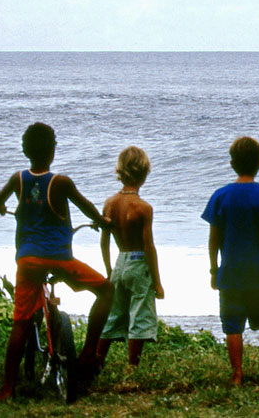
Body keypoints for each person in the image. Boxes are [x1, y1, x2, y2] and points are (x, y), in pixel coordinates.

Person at [0, 122, 113, 401]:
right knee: (106, 289)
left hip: (28, 261)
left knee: (20, 322)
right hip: (59, 260)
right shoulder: (61, 183)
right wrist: (101, 221)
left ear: (25, 150)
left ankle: (7, 388)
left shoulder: (17, 179)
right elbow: (87, 208)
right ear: (53, 151)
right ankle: (89, 352)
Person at [202, 136, 259, 386]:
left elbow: (213, 239)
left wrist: (214, 269)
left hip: (231, 272)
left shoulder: (220, 195)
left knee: (232, 325)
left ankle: (237, 373)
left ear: (231, 163)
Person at [96, 146, 163, 368]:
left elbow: (104, 241)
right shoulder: (143, 207)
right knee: (139, 316)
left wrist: (108, 269)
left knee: (113, 315)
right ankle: (132, 366)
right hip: (138, 262)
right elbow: (149, 247)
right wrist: (158, 282)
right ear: (144, 172)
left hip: (120, 260)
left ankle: (97, 360)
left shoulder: (109, 203)